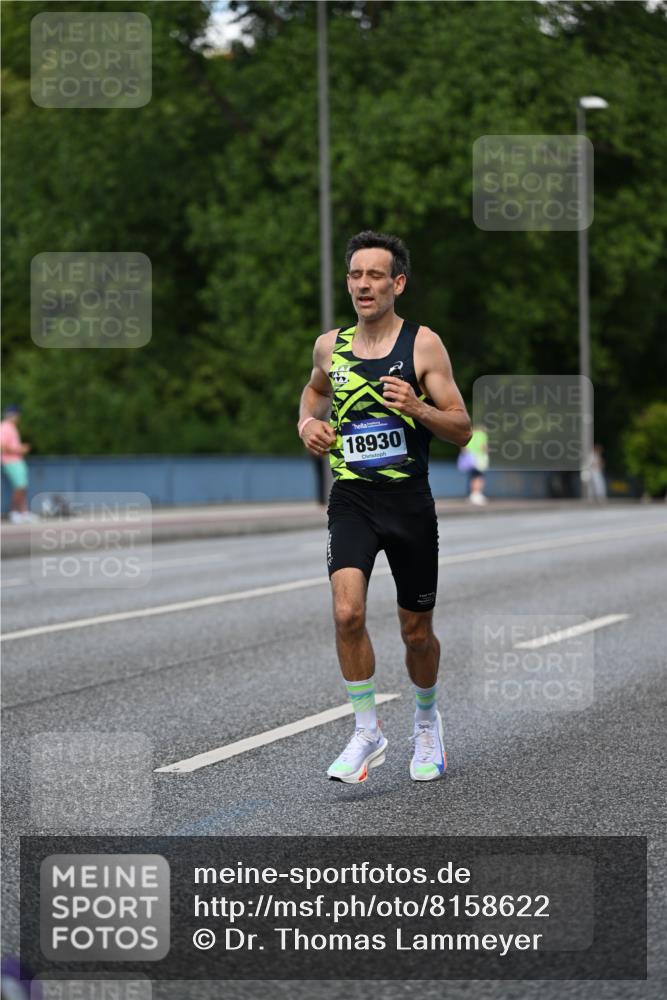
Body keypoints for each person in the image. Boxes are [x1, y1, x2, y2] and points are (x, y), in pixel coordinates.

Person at [298, 231, 471, 783]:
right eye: (355, 275)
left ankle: (426, 723)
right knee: (347, 613)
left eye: (375, 275)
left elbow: (462, 428)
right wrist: (307, 424)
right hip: (352, 499)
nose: (363, 285)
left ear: (397, 283)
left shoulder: (423, 345)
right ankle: (367, 730)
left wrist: (417, 407)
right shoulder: (331, 345)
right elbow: (314, 392)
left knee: (415, 631)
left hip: (409, 503)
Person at [0, 405, 33, 524]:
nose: (19, 418)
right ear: (12, 415)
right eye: (17, 415)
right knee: (19, 487)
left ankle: (24, 513)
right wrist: (20, 450)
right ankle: (15, 513)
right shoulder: (4, 427)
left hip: (16, 460)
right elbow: (2, 446)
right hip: (11, 461)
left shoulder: (11, 427)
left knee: (22, 487)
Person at [457, 424, 489, 505]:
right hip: (479, 459)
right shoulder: (482, 435)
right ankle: (477, 494)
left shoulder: (468, 434)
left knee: (472, 477)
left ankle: (472, 495)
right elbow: (484, 447)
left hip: (470, 460)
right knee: (479, 477)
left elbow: (463, 447)